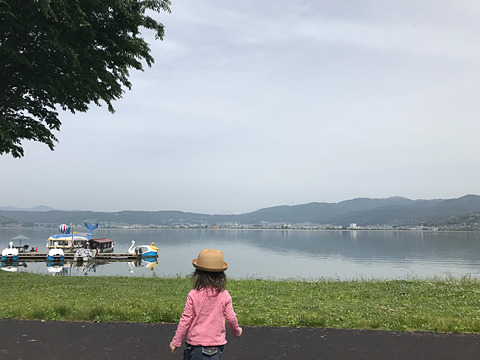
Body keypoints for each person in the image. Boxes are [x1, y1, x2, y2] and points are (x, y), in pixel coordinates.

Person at [169, 249, 242, 359]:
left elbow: (186, 319)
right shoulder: (224, 295)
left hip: (195, 345)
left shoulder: (193, 295)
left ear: (197, 275)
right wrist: (237, 331)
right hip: (216, 346)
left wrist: (176, 342)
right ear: (221, 275)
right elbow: (231, 318)